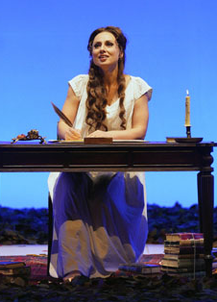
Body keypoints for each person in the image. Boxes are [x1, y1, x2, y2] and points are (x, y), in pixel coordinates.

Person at [48, 26, 153, 281]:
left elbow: (139, 131)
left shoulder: (137, 87)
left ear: (120, 51)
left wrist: (108, 136)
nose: (102, 49)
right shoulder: (80, 84)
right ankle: (74, 269)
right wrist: (67, 132)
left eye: (108, 44)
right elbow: (63, 123)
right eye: (97, 45)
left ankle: (105, 267)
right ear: (91, 53)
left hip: (120, 164)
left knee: (103, 191)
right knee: (69, 183)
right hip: (81, 162)